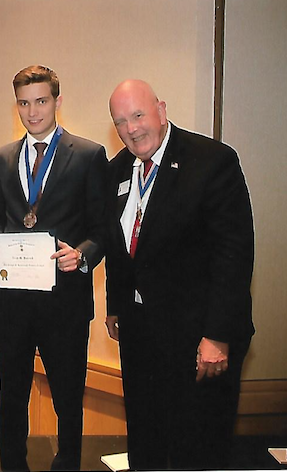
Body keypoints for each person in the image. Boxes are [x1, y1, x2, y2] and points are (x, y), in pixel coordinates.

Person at [105, 79, 254, 470]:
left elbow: (233, 254)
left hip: (199, 342)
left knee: (198, 450)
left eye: (138, 115)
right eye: (121, 122)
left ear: (162, 110)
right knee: (147, 443)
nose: (132, 128)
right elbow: (120, 246)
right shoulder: (118, 169)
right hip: (141, 337)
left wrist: (217, 336)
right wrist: (116, 305)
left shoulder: (211, 160)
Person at [0, 65, 108, 471]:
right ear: (15, 103)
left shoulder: (88, 154)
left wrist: (81, 255)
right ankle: (12, 465)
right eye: (24, 102)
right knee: (11, 394)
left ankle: (67, 463)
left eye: (41, 101)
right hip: (14, 301)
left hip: (65, 301)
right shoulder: (2, 157)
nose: (32, 112)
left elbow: (102, 229)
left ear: (57, 101)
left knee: (68, 396)